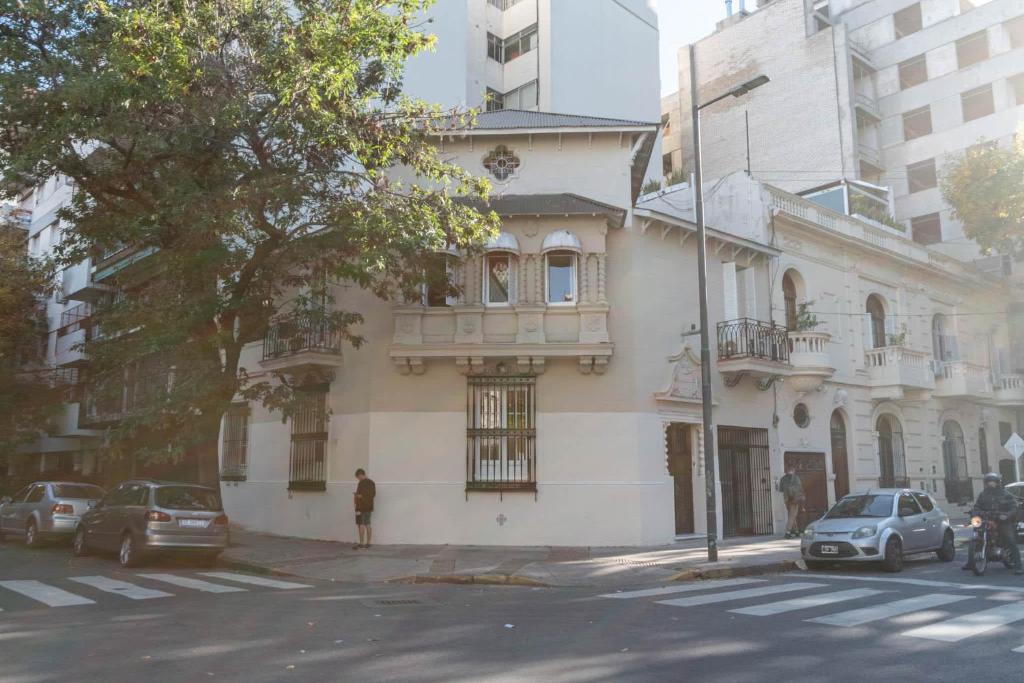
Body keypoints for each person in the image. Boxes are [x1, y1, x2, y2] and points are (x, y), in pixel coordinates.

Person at [963, 472, 1022, 574]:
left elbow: (1014, 507)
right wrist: (974, 512)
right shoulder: (983, 494)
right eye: (989, 482)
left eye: (993, 482)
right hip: (987, 519)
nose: (991, 484)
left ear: (997, 482)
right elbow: (977, 506)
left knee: (1010, 540)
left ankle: (1018, 566)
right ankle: (971, 562)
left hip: (1002, 520)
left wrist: (1006, 515)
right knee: (977, 532)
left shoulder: (1005, 494)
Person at [352, 468, 376, 550]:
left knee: (361, 525)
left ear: (360, 475)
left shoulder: (361, 483)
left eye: (358, 477)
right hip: (369, 507)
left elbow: (360, 495)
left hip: (361, 507)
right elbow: (373, 495)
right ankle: (369, 543)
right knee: (368, 524)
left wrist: (356, 495)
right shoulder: (372, 483)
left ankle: (362, 543)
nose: (358, 479)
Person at [779, 467, 805, 539]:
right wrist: (801, 497)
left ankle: (796, 531)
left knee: (792, 515)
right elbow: (800, 488)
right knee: (792, 516)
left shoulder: (783, 479)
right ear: (793, 470)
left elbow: (781, 489)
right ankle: (788, 532)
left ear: (787, 471)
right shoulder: (796, 478)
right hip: (794, 500)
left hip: (786, 500)